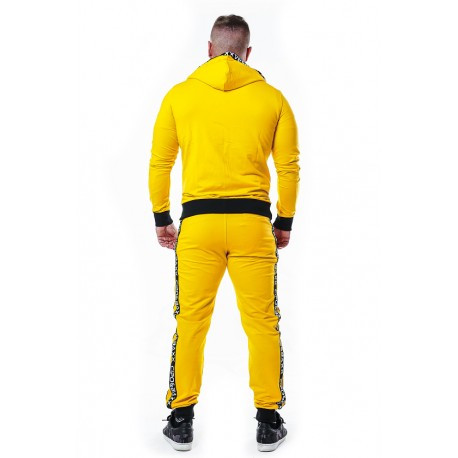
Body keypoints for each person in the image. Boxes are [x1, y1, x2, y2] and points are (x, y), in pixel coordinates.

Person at [148, 14, 300, 452]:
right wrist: (284, 222)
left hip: (199, 226)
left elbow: (160, 162)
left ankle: (181, 420)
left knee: (191, 322)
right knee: (263, 323)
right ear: (247, 52)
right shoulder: (272, 98)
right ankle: (268, 422)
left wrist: (161, 218)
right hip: (253, 225)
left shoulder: (180, 95)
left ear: (210, 49)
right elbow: (288, 167)